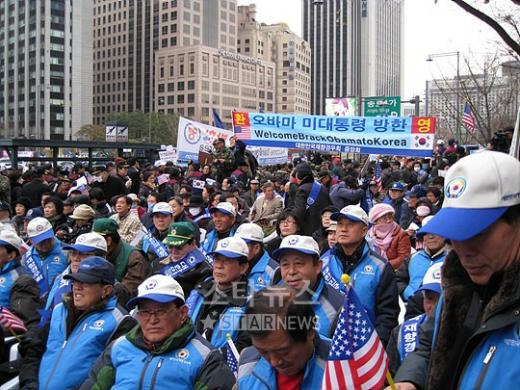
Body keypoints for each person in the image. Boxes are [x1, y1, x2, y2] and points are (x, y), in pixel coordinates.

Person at [392, 151, 520, 389]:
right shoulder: (457, 285)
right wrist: (410, 380)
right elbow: (429, 347)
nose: (463, 250)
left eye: (478, 233)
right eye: (455, 233)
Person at [81, 274, 235, 389]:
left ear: (182, 313)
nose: (152, 320)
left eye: (160, 311)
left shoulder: (204, 358)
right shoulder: (118, 347)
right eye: (145, 312)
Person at [21, 257, 135, 390]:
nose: (77, 287)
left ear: (106, 290)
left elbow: (107, 376)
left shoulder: (120, 322)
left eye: (86, 283)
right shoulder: (59, 310)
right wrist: (29, 383)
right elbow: (35, 350)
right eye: (75, 281)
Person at [325, 205, 399, 345]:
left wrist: (375, 347)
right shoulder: (323, 263)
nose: (343, 229)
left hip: (364, 348)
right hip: (326, 345)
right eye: (340, 224)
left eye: (350, 224)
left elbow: (388, 316)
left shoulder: (381, 267)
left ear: (364, 231)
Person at [237, 287, 330, 388]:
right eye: (263, 351)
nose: (274, 362)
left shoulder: (341, 366)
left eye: (283, 352)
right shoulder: (247, 363)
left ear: (309, 332)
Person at [271, 235, 343, 340]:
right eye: (285, 264)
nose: (291, 271)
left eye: (298, 263)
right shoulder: (272, 296)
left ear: (318, 266)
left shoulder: (337, 308)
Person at [186, 237, 251, 352]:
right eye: (216, 260)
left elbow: (245, 348)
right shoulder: (199, 291)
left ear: (243, 267)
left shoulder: (251, 302)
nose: (219, 266)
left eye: (226, 261)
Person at [387, 261, 443, 377]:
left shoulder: (470, 335)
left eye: (443, 299)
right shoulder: (400, 333)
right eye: (429, 298)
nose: (435, 306)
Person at [151, 221, 212, 297]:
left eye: (178, 247)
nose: (173, 251)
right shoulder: (157, 264)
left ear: (193, 244)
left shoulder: (203, 269)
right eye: (170, 246)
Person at [92, 218, 148, 301]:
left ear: (108, 241)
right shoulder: (98, 254)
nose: (92, 244)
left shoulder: (135, 257)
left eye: (95, 240)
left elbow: (127, 294)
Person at [397, 215, 447, 302]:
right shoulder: (412, 258)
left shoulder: (454, 259)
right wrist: (407, 293)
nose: (430, 237)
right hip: (410, 307)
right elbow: (397, 280)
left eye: (435, 232)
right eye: (426, 233)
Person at [25, 217, 68, 298]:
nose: (45, 243)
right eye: (40, 241)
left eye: (48, 239)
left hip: (58, 302)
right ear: (31, 240)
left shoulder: (67, 252)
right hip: (35, 304)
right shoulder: (26, 258)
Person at [235, 223, 278, 293]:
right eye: (236, 245)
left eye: (242, 245)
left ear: (256, 248)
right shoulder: (234, 262)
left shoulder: (274, 271)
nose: (237, 249)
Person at [291, 163, 331, 236]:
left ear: (300, 175)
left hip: (309, 229)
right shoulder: (322, 187)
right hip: (324, 226)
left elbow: (299, 212)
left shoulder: (301, 189)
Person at [367, 203, 411, 270]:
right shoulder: (369, 234)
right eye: (384, 218)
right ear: (375, 221)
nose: (388, 220)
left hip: (392, 271)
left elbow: (404, 257)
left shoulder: (401, 234)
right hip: (370, 268)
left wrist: (383, 265)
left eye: (390, 217)